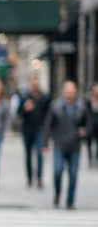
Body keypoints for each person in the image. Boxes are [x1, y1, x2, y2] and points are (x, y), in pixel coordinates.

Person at [43, 80, 90, 209]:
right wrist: (45, 143)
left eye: (72, 91)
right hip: (59, 144)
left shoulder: (81, 106)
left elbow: (88, 123)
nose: (70, 94)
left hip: (75, 145)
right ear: (63, 92)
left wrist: (85, 131)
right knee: (58, 171)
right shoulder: (55, 106)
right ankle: (58, 192)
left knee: (73, 174)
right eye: (68, 91)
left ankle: (70, 200)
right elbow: (48, 125)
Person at [17, 72, 51, 188]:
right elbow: (18, 114)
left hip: (40, 129)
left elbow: (48, 115)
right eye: (32, 81)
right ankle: (30, 178)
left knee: (39, 153)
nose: (34, 83)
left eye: (36, 80)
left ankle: (39, 178)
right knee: (28, 155)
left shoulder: (45, 97)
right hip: (27, 129)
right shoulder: (24, 97)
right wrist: (25, 109)